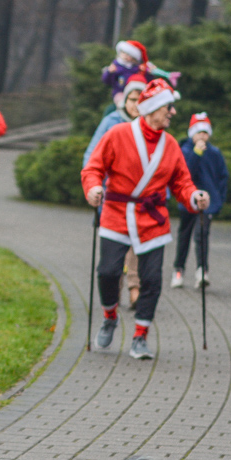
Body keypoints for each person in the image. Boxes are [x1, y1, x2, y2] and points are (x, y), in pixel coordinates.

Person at [82, 80, 211, 360]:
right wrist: (93, 188)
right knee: (107, 272)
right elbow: (93, 167)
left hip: (153, 220)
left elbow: (182, 183)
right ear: (152, 109)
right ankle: (109, 315)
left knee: (151, 280)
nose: (173, 113)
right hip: (116, 214)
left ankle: (140, 335)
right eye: (168, 107)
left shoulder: (172, 145)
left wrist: (194, 197)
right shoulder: (117, 134)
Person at [85, 73, 147, 306]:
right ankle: (114, 294)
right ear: (125, 100)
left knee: (136, 247)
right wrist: (93, 188)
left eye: (141, 100)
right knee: (114, 255)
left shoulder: (151, 128)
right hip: (113, 200)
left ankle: (134, 288)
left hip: (140, 202)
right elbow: (91, 157)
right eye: (132, 99)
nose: (136, 105)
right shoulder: (111, 122)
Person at [171, 112, 229, 288]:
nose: (202, 136)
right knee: (184, 236)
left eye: (205, 132)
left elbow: (222, 177)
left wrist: (219, 199)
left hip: (207, 204)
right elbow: (184, 172)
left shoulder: (215, 153)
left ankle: (202, 271)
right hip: (187, 202)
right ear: (192, 133)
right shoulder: (186, 150)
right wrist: (196, 153)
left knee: (202, 235)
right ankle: (178, 270)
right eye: (198, 132)